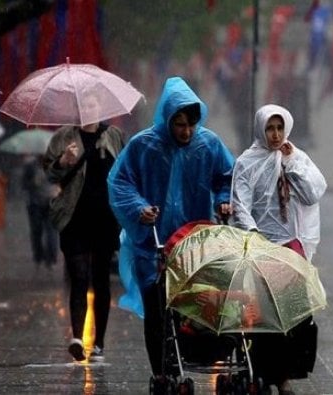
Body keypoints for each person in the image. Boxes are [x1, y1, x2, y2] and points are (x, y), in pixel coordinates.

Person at [107, 76, 235, 382]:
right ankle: (163, 372)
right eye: (179, 124)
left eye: (190, 124)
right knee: (156, 309)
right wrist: (140, 208)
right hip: (152, 244)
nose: (186, 131)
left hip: (194, 241)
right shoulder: (144, 146)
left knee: (192, 304)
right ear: (167, 119)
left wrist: (222, 201)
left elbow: (227, 178)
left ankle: (184, 357)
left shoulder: (208, 145)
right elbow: (120, 182)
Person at [230, 104, 327, 394]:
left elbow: (311, 194)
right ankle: (264, 374)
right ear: (261, 129)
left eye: (279, 128)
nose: (275, 135)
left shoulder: (295, 157)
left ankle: (285, 375)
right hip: (261, 248)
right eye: (270, 128)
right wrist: (254, 235)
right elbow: (240, 205)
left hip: (291, 247)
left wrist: (291, 164)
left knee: (293, 317)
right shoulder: (247, 163)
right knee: (264, 316)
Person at [43, 94, 124, 363]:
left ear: (100, 108)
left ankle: (98, 342)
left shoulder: (113, 136)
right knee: (78, 274)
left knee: (100, 278)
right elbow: (50, 173)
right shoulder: (63, 137)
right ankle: (77, 337)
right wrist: (63, 162)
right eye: (83, 106)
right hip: (74, 218)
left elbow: (126, 171)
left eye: (93, 105)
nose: (88, 110)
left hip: (105, 219)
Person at [21, 154, 58, 270]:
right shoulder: (30, 166)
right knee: (36, 231)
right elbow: (24, 184)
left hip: (51, 203)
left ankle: (51, 258)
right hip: (35, 203)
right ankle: (38, 256)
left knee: (52, 232)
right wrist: (33, 182)